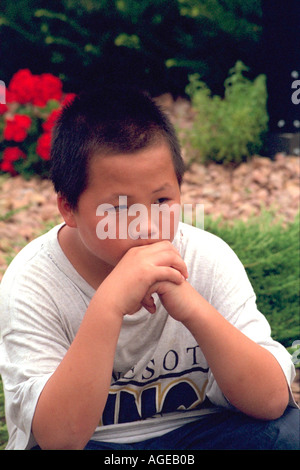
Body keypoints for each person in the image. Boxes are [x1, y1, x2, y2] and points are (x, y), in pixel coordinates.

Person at [0, 88, 299, 451]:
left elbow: (270, 402)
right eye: (121, 208)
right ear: (68, 208)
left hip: (202, 432)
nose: (147, 225)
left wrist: (192, 308)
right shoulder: (34, 282)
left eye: (162, 201)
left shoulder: (207, 258)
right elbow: (59, 439)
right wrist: (108, 306)